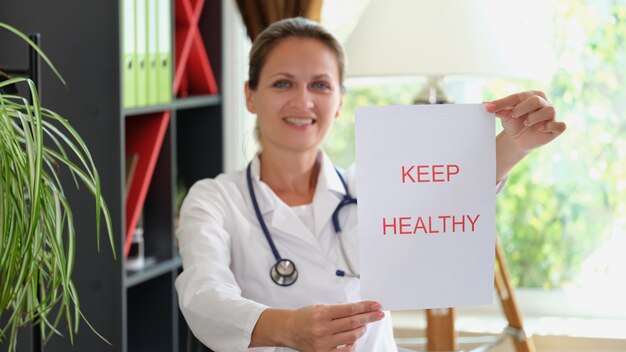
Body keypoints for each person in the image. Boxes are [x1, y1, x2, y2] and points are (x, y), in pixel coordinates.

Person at [175, 17, 566, 352]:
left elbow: (448, 194)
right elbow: (203, 296)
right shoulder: (215, 200)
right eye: (282, 84)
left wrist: (513, 143)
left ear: (340, 101)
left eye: (321, 85)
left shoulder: (372, 183)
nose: (302, 101)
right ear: (250, 96)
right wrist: (290, 329)